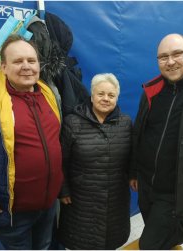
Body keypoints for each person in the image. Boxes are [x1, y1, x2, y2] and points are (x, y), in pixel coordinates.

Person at [129, 33, 183, 249]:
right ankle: (178, 228)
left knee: (148, 245)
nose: (170, 62)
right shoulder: (151, 91)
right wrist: (133, 171)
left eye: (177, 54)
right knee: (161, 237)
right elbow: (139, 134)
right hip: (148, 186)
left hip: (175, 191)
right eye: (163, 57)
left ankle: (182, 221)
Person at [0, 34, 63, 249]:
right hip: (11, 216)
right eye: (18, 61)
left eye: (31, 60)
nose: (26, 67)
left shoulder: (49, 93)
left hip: (47, 208)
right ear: (3, 67)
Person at [58, 73, 132, 249]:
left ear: (116, 98)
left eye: (111, 95)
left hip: (115, 200)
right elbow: (61, 161)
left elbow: (133, 157)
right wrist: (63, 190)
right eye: (101, 94)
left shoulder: (126, 123)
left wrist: (134, 174)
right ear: (92, 95)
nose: (105, 99)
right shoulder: (72, 122)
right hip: (81, 200)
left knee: (110, 243)